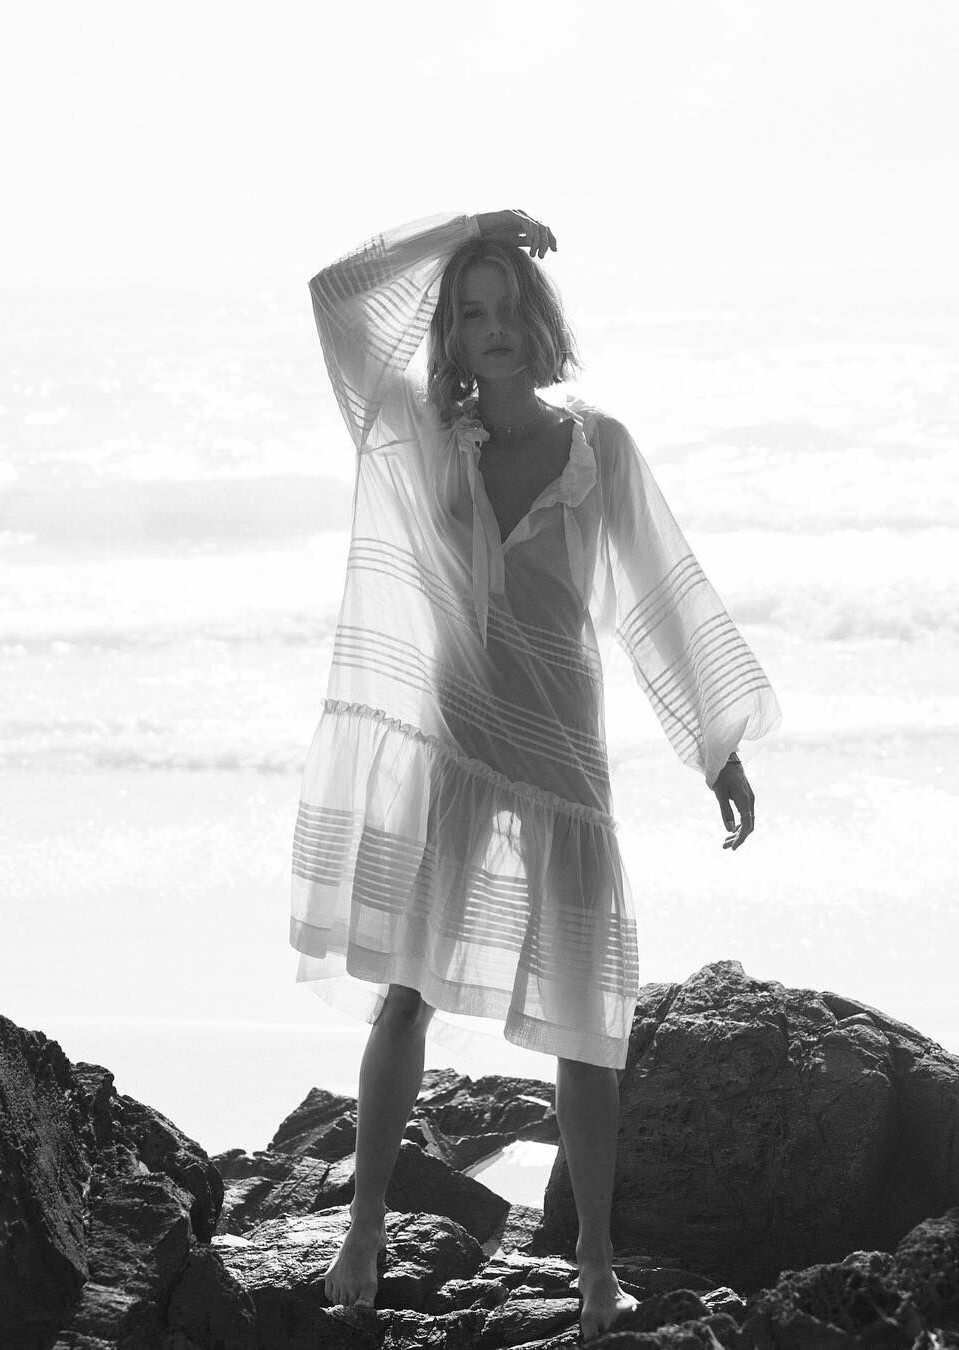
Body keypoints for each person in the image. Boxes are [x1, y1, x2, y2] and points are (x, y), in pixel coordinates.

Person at [290, 208, 782, 1339]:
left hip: (562, 755)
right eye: (472, 312)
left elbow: (660, 596)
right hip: (458, 743)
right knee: (406, 992)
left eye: (509, 307)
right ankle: (363, 1224)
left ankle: (597, 1266)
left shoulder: (598, 448)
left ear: (538, 320)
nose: (495, 328)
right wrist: (467, 228)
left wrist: (717, 746)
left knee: (583, 1024)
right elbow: (336, 298)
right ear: (452, 336)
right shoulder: (426, 440)